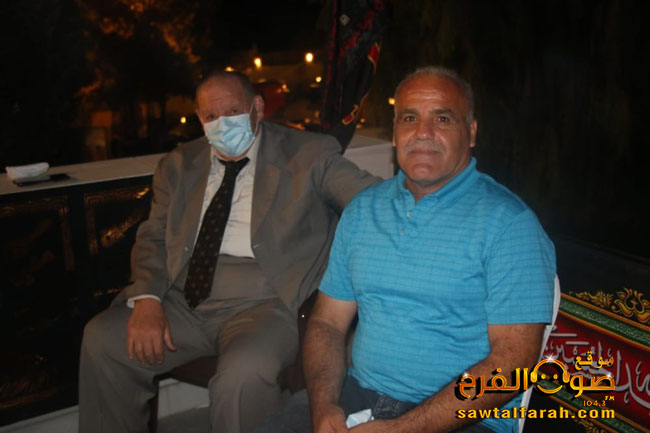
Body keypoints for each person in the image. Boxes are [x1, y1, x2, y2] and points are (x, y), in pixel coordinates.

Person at [253, 66, 556, 433]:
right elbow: (328, 323)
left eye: (442, 118)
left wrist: (403, 429)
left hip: (463, 418)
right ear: (395, 133)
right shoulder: (363, 211)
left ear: (472, 132)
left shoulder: (509, 224)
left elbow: (514, 362)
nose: (423, 132)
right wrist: (324, 406)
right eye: (409, 118)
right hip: (358, 395)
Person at [78, 70, 379, 433]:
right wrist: (147, 299)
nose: (222, 124)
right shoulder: (178, 165)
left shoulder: (308, 154)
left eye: (233, 112)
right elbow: (153, 237)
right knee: (103, 340)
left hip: (267, 303)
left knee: (241, 376)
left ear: (257, 108)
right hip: (182, 299)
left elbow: (371, 202)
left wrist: (426, 202)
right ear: (199, 118)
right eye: (210, 116)